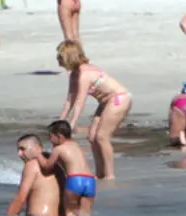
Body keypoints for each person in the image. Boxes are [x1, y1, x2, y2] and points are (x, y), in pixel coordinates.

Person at [56, 40, 131, 182]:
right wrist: (60, 121)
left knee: (102, 136)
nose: (58, 60)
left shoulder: (85, 74)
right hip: (105, 102)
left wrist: (71, 123)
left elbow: (80, 101)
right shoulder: (74, 74)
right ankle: (100, 173)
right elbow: (69, 101)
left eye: (60, 57)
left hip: (119, 99)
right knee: (91, 136)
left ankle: (110, 175)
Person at [36, 120, 96, 216]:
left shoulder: (58, 149)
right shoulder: (76, 146)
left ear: (59, 136)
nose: (50, 140)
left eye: (51, 136)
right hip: (90, 180)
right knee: (85, 215)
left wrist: (38, 154)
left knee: (70, 213)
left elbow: (47, 167)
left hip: (75, 180)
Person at [5, 134, 64, 216]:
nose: (19, 154)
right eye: (18, 150)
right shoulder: (56, 165)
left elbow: (20, 198)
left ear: (36, 147)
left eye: (22, 149)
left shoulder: (31, 165)